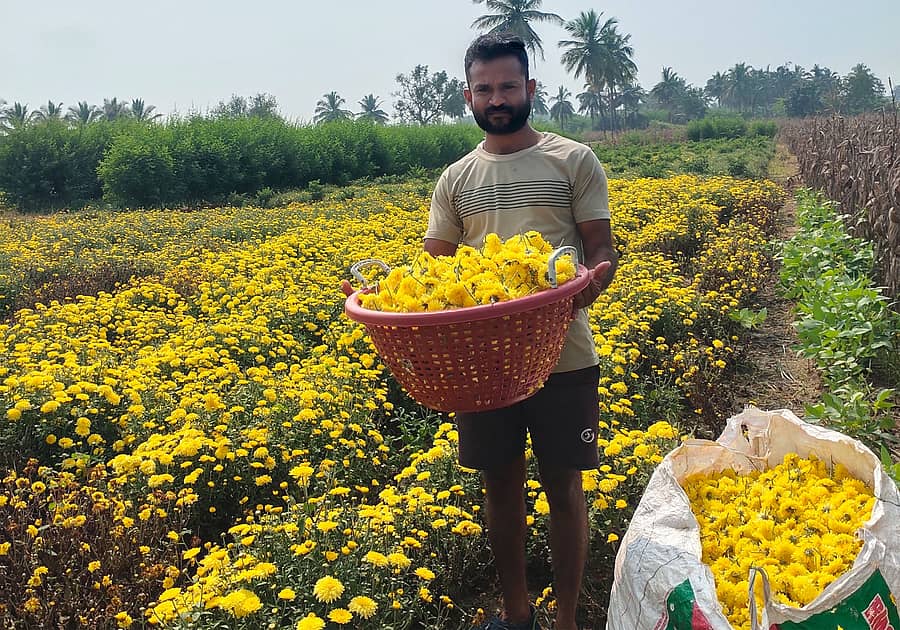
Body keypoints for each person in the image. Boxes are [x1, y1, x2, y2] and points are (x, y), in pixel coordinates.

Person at [423, 33, 618, 630]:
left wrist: (589, 283)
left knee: (564, 487)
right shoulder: (456, 178)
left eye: (509, 85)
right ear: (468, 96)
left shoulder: (573, 159)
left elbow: (600, 249)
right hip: (484, 367)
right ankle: (517, 616)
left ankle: (565, 621)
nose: (497, 98)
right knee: (500, 487)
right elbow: (434, 269)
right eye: (485, 88)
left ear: (531, 89)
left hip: (562, 354)